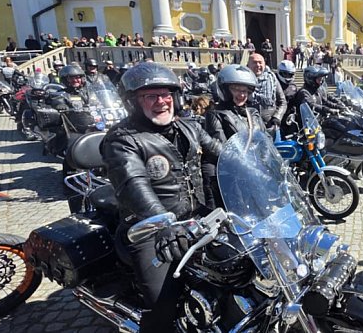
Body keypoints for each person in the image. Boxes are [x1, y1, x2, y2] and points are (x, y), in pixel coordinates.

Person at [101, 62, 223, 332]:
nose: (161, 101)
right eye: (151, 96)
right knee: (162, 303)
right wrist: (163, 223)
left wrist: (258, 166)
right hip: (149, 230)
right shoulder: (122, 139)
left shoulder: (189, 128)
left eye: (166, 95)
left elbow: (221, 153)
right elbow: (134, 184)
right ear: (133, 101)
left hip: (197, 218)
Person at [202, 65, 265, 207]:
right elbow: (222, 148)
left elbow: (264, 139)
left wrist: (267, 163)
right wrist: (250, 168)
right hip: (231, 177)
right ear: (225, 90)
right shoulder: (216, 113)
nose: (242, 94)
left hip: (253, 175)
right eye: (236, 89)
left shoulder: (252, 113)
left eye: (245, 90)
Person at [247, 53, 286, 131]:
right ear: (248, 65)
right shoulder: (242, 80)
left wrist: (277, 117)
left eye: (260, 62)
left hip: (270, 127)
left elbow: (283, 102)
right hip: (250, 127)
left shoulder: (272, 78)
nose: (258, 65)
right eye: (254, 62)